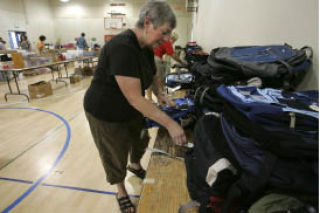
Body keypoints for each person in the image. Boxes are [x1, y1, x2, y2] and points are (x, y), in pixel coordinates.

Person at [83, 1, 187, 212]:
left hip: (130, 108)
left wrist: (160, 94)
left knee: (141, 138)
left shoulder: (147, 47)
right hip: (105, 111)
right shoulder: (122, 47)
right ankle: (120, 190)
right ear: (148, 23)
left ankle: (136, 165)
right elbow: (136, 98)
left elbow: (153, 74)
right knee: (115, 152)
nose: (167, 39)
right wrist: (170, 124)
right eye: (165, 32)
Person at [147, 32, 187, 100]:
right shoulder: (168, 42)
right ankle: (159, 98)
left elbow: (158, 51)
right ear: (172, 38)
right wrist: (182, 62)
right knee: (157, 80)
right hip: (155, 59)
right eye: (174, 40)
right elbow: (173, 56)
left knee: (152, 79)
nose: (173, 42)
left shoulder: (162, 40)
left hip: (151, 58)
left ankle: (150, 97)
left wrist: (161, 59)